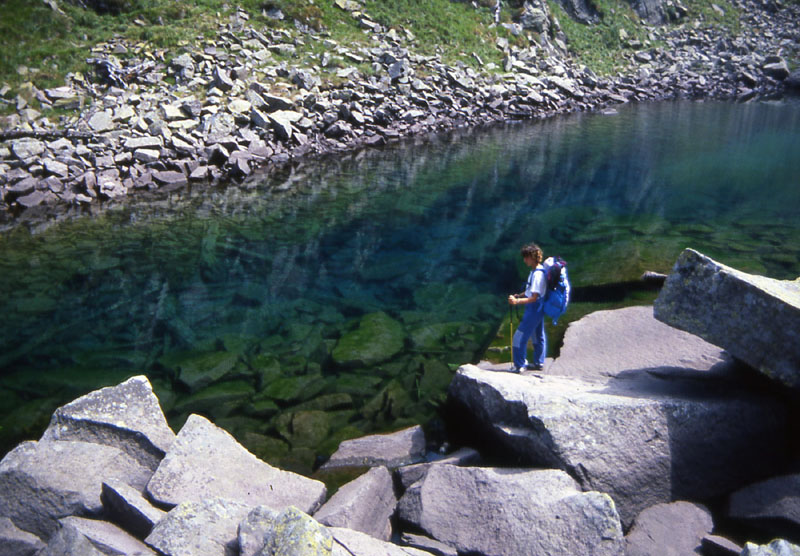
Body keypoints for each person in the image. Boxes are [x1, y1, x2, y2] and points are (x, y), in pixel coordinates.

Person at [508, 243, 547, 372]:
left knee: (519, 337)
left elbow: (534, 297)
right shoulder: (536, 271)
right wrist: (519, 295)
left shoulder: (537, 275)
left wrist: (517, 301)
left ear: (532, 257)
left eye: (526, 257)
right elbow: (531, 291)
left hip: (534, 308)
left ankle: (520, 365)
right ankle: (538, 362)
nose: (524, 260)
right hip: (538, 308)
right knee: (537, 335)